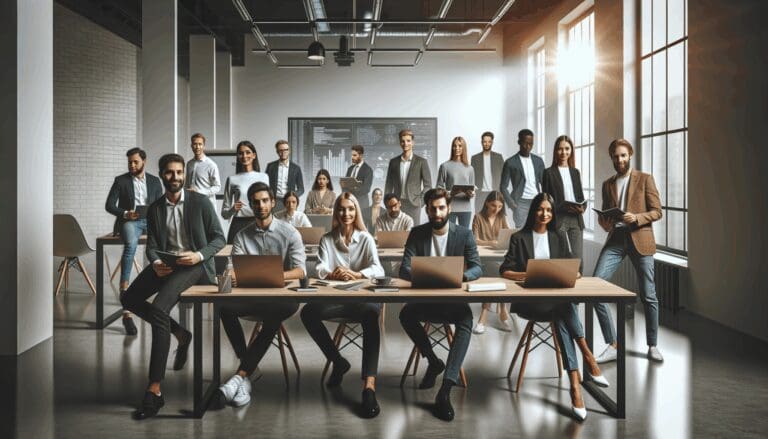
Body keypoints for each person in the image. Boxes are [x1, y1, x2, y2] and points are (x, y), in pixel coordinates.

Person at [120, 153, 225, 420]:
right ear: (161, 175)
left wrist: (199, 255)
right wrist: (155, 261)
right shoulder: (155, 208)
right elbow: (152, 245)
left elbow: (219, 238)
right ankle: (180, 333)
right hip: (167, 263)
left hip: (194, 266)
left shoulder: (200, 202)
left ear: (184, 175)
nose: (175, 177)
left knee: (158, 310)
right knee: (128, 299)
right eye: (169, 172)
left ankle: (154, 389)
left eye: (179, 172)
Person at [499, 192, 609, 421]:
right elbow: (505, 270)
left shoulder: (558, 237)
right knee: (564, 308)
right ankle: (587, 355)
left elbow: (573, 267)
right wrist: (527, 273)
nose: (545, 214)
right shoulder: (519, 237)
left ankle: (575, 385)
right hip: (530, 302)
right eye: (541, 209)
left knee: (561, 310)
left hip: (556, 301)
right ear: (533, 211)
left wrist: (574, 273)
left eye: (549, 210)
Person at [213, 182, 305, 409]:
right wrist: (232, 274)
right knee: (223, 307)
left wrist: (274, 276)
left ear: (273, 203)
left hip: (284, 298)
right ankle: (247, 371)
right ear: (251, 205)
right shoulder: (242, 235)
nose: (261, 205)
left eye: (265, 201)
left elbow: (300, 271)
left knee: (274, 314)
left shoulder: (290, 232)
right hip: (252, 296)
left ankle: (241, 375)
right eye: (256, 202)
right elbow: (233, 270)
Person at [398, 188, 482, 422]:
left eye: (441, 208)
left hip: (452, 300)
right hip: (425, 298)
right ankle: (434, 361)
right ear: (426, 209)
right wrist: (428, 275)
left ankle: (445, 389)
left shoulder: (464, 234)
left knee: (466, 320)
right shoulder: (417, 233)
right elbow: (404, 268)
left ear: (449, 208)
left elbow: (477, 267)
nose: (437, 213)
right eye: (433, 209)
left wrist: (462, 276)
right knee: (405, 315)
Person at [300, 193, 385, 418]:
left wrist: (357, 273)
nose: (346, 213)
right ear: (336, 212)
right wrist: (333, 273)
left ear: (356, 212)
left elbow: (378, 269)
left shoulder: (366, 238)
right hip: (336, 298)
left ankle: (369, 386)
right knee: (308, 312)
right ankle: (338, 362)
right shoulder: (327, 239)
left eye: (350, 209)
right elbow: (319, 268)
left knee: (371, 313)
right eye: (341, 209)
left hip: (362, 301)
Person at [592, 139, 664, 364]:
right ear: (612, 158)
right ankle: (613, 345)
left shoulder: (645, 179)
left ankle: (652, 345)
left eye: (623, 155)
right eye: (615, 156)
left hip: (640, 237)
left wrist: (637, 217)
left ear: (630, 155)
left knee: (648, 294)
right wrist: (605, 222)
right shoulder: (607, 184)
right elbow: (606, 215)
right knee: (595, 287)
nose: (619, 159)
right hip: (616, 239)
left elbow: (657, 211)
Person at [104, 147, 163, 335]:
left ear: (144, 161)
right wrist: (125, 213)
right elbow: (109, 205)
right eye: (130, 162)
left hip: (150, 221)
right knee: (131, 245)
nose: (132, 165)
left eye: (135, 162)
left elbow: (161, 204)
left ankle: (162, 288)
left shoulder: (154, 181)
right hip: (130, 221)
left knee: (162, 243)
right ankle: (124, 287)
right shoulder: (120, 181)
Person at [542, 135, 586, 272]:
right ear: (555, 151)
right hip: (558, 218)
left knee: (578, 259)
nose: (564, 152)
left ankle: (578, 285)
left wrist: (582, 208)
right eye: (560, 149)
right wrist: (559, 207)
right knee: (560, 258)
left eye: (567, 149)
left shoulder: (575, 172)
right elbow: (545, 200)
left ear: (571, 150)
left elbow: (580, 196)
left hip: (576, 219)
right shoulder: (548, 173)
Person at [471, 191, 512, 334]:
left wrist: (504, 241)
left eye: (500, 206)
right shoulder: (478, 217)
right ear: (487, 203)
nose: (497, 209)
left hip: (498, 257)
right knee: (498, 273)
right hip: (483, 259)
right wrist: (490, 243)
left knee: (500, 271)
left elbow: (510, 235)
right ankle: (502, 312)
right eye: (494, 206)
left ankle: (484, 317)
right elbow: (475, 240)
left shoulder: (502, 217)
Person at [221, 140, 269, 243]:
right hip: (238, 224)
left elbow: (268, 206)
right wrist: (233, 209)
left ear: (254, 155)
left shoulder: (264, 177)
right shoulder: (232, 179)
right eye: (241, 153)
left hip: (258, 223)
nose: (244, 156)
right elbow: (224, 214)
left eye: (247, 152)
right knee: (233, 253)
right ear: (238, 157)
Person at [384, 129, 432, 225]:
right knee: (398, 230)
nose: (405, 143)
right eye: (403, 141)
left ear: (413, 142)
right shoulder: (393, 162)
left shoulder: (421, 162)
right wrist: (388, 202)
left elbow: (428, 186)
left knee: (414, 231)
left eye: (408, 141)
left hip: (414, 204)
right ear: (400, 143)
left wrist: (420, 201)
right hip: (397, 204)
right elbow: (388, 185)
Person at [500, 129, 545, 228]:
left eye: (531, 144)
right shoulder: (510, 162)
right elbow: (503, 186)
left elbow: (544, 183)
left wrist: (545, 200)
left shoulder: (538, 161)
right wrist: (512, 205)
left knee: (537, 229)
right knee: (521, 231)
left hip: (537, 201)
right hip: (520, 203)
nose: (528, 146)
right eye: (525, 143)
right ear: (519, 142)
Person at [436, 136, 476, 228]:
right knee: (450, 233)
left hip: (466, 208)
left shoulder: (470, 168)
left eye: (460, 146)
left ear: (463, 148)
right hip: (450, 207)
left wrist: (472, 194)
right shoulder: (445, 166)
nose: (457, 148)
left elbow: (472, 188)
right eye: (454, 146)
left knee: (464, 233)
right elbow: (438, 188)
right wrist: (450, 193)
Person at [185, 133, 222, 209]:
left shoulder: (211, 165)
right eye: (195, 144)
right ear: (191, 146)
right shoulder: (189, 164)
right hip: (192, 204)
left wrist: (199, 191)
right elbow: (187, 184)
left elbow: (217, 187)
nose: (197, 147)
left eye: (200, 144)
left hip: (207, 205)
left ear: (204, 146)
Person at [471, 131, 505, 212]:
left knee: (495, 217)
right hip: (481, 193)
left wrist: (501, 192)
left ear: (492, 142)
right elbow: (472, 176)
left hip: (495, 193)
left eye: (489, 142)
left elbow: (504, 175)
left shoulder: (498, 157)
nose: (487, 144)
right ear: (481, 142)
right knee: (479, 216)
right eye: (485, 141)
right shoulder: (475, 158)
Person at [266, 140, 304, 211]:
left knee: (290, 218)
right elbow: (266, 185)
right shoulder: (270, 166)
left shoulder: (296, 168)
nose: (283, 152)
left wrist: (293, 196)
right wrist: (269, 198)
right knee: (275, 218)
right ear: (277, 151)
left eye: (286, 150)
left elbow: (301, 189)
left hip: (290, 201)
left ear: (289, 151)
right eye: (281, 150)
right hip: (275, 201)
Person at [345, 144, 374, 211]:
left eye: (354, 155)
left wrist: (353, 189)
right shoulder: (350, 169)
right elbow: (346, 185)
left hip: (361, 204)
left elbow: (366, 189)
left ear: (361, 156)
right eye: (352, 155)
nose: (352, 157)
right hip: (349, 203)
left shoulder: (368, 170)